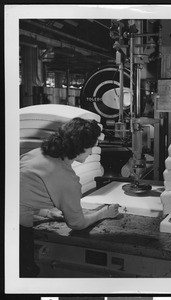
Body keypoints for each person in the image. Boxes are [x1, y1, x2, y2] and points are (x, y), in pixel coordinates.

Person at [20, 117, 120, 277]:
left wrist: (46, 213)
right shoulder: (67, 180)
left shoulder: (36, 153)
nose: (92, 152)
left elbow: (22, 194)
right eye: (91, 147)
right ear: (80, 147)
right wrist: (104, 213)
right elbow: (77, 224)